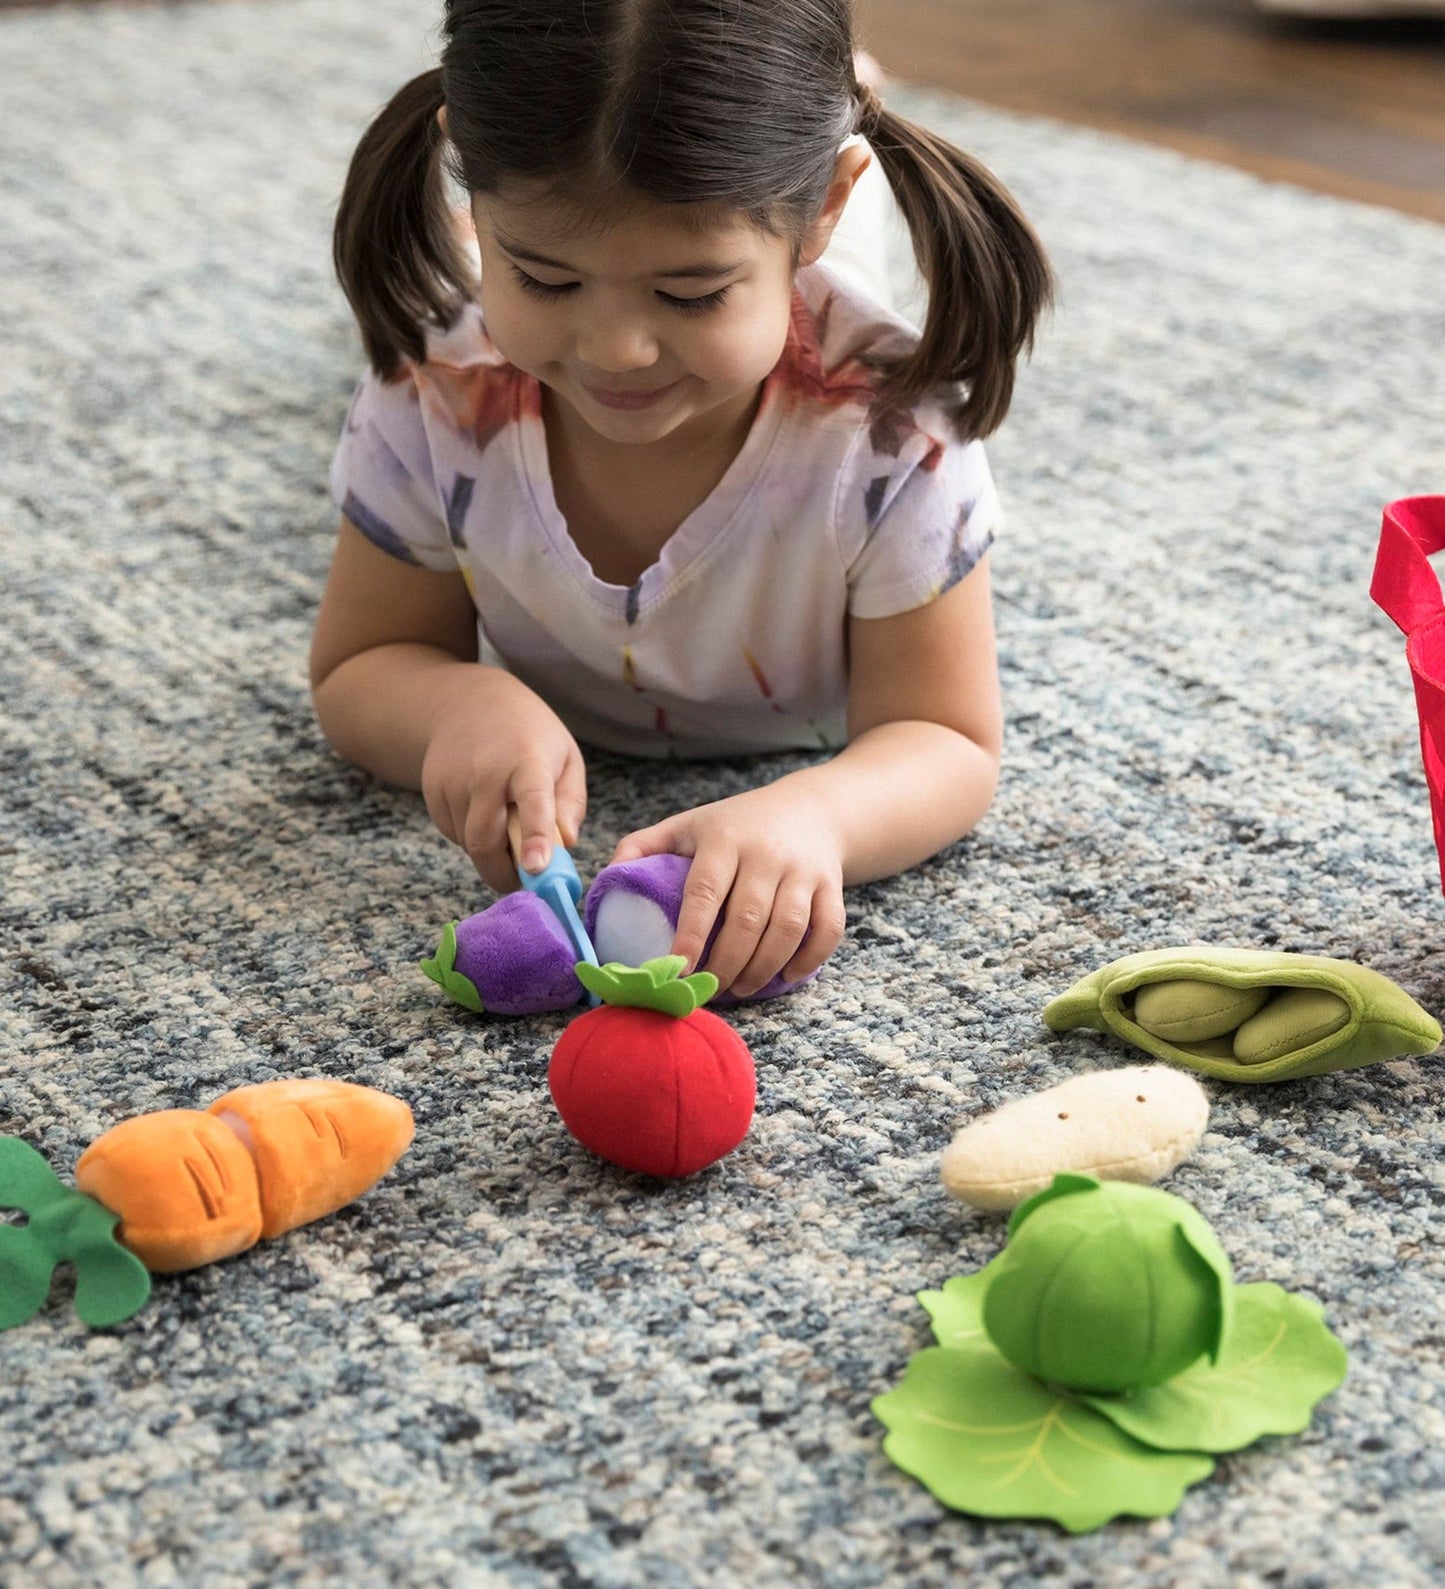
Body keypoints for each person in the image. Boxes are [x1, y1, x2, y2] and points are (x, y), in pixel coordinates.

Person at [313, 0, 1053, 1000]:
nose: (618, 350)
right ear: (477, 195)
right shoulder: (440, 385)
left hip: (810, 313)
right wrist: (456, 703)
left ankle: (844, 122)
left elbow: (947, 739)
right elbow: (361, 662)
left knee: (829, 278)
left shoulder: (891, 436)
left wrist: (816, 816)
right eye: (542, 275)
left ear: (818, 210)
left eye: (689, 293)